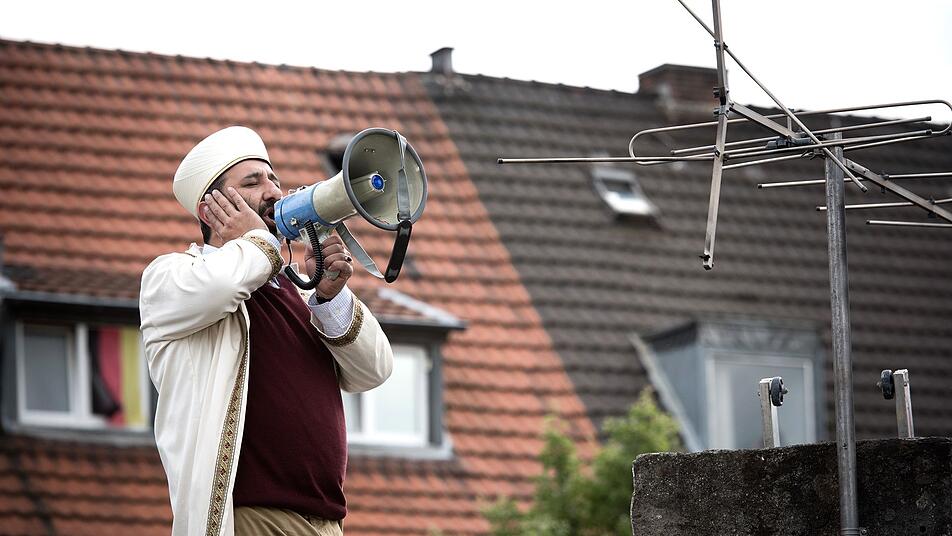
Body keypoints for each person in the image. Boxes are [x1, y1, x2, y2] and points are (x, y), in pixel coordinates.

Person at [139, 126, 393, 536]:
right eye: (252, 182)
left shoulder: (294, 288)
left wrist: (329, 296)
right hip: (249, 517)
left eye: (273, 178)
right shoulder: (171, 277)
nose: (274, 191)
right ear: (210, 210)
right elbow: (225, 284)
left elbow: (375, 371)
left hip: (326, 522)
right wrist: (257, 238)